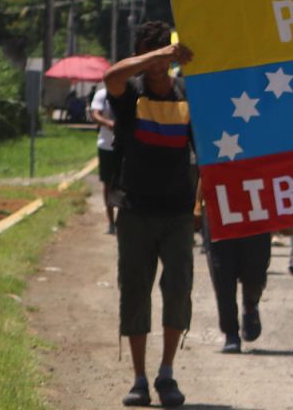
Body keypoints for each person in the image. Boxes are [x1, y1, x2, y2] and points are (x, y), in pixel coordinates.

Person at [103, 22, 196, 409]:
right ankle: (139, 378)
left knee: (178, 292)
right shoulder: (130, 94)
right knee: (135, 293)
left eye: (165, 53)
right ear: (142, 54)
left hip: (178, 213)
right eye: (151, 53)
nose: (160, 63)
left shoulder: (186, 95)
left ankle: (166, 373)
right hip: (136, 210)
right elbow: (112, 75)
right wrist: (158, 55)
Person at [203, 222, 270, 353]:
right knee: (222, 276)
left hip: (255, 214)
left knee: (256, 272)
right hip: (218, 213)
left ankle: (250, 306)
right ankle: (231, 332)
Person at [89, 84, 120, 235]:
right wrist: (107, 123)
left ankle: (122, 219)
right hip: (106, 146)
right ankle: (111, 221)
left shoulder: (128, 92)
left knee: (125, 184)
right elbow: (95, 114)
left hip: (124, 146)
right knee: (108, 184)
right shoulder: (103, 95)